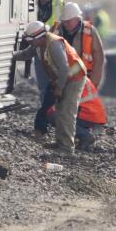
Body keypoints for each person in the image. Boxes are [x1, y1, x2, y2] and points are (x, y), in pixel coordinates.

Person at [13, 21, 89, 155]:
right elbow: (25, 54)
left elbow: (65, 68)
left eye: (31, 40)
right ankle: (60, 142)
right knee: (59, 111)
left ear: (40, 37)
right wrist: (10, 56)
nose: (29, 42)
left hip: (74, 77)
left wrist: (59, 88)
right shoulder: (38, 45)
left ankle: (67, 148)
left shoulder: (53, 44)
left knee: (66, 112)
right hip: (62, 77)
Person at [31, 0, 64, 137]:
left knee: (56, 87)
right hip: (40, 52)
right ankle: (49, 118)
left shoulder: (59, 5)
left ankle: (52, 118)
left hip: (55, 51)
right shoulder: (33, 6)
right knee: (44, 88)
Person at [60, 2, 105, 89]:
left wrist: (93, 84)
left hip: (85, 78)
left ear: (78, 18)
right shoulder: (58, 30)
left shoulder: (90, 31)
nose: (66, 24)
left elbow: (99, 59)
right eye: (64, 21)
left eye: (69, 21)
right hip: (63, 79)